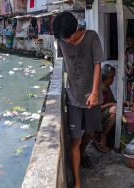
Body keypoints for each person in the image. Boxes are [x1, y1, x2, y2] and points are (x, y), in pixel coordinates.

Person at [53, 12, 104, 188]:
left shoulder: (91, 37)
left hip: (92, 96)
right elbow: (60, 64)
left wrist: (95, 92)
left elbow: (98, 63)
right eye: (63, 39)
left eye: (69, 37)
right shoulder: (61, 41)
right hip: (73, 98)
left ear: (76, 28)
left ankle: (83, 152)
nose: (67, 41)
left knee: (90, 132)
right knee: (75, 139)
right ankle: (77, 182)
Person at [94, 64, 134, 152]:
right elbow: (98, 108)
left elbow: (114, 102)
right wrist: (114, 104)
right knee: (116, 110)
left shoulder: (107, 88)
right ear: (105, 77)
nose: (113, 80)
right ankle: (103, 136)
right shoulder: (98, 89)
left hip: (106, 114)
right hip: (97, 117)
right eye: (111, 77)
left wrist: (125, 103)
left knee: (119, 110)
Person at [125, 35, 134, 103]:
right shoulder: (127, 51)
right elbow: (125, 61)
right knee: (129, 89)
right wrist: (127, 70)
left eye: (130, 41)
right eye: (127, 41)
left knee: (133, 89)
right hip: (129, 73)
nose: (128, 43)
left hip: (132, 72)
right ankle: (131, 104)